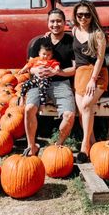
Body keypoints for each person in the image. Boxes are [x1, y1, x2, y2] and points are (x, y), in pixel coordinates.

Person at [24, 9, 76, 156]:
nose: (55, 24)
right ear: (48, 23)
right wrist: (35, 71)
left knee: (69, 115)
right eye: (52, 21)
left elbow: (75, 68)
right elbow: (29, 65)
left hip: (61, 83)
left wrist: (58, 72)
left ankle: (57, 145)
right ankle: (31, 145)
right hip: (38, 81)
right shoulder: (40, 42)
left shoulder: (71, 42)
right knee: (28, 109)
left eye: (59, 21)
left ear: (64, 23)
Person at [72, 0, 109, 164]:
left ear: (92, 15)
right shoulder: (74, 30)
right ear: (75, 16)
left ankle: (84, 146)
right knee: (83, 112)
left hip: (97, 73)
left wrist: (93, 80)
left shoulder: (98, 34)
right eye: (80, 14)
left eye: (87, 14)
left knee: (86, 105)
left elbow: (100, 59)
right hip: (80, 74)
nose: (83, 18)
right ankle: (93, 143)